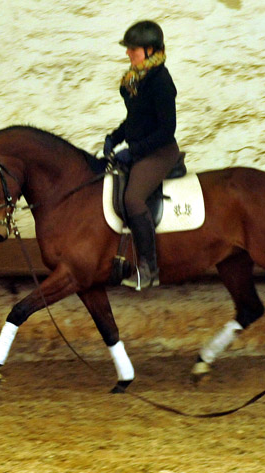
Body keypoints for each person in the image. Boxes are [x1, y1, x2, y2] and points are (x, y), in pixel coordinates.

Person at [103, 20, 181, 291]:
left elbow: (166, 129)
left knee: (133, 199)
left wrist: (132, 151)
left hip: (160, 152)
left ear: (150, 50)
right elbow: (136, 120)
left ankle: (149, 269)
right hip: (141, 149)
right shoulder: (137, 79)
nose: (128, 54)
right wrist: (115, 136)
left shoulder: (160, 81)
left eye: (133, 49)